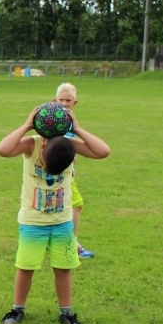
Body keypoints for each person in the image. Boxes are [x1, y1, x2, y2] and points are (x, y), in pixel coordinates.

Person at [0, 106, 110, 324]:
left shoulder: (69, 146)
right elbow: (2, 149)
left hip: (62, 223)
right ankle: (17, 308)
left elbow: (103, 151)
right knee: (25, 267)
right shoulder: (32, 143)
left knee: (63, 268)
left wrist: (77, 129)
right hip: (33, 222)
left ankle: (66, 313)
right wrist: (27, 125)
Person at [55, 83, 94, 258]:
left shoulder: (70, 121)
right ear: (54, 100)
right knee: (75, 205)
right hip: (59, 172)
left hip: (65, 171)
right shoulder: (54, 118)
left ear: (75, 102)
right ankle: (72, 244)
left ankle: (60, 241)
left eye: (68, 100)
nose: (64, 103)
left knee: (60, 207)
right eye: (61, 99)